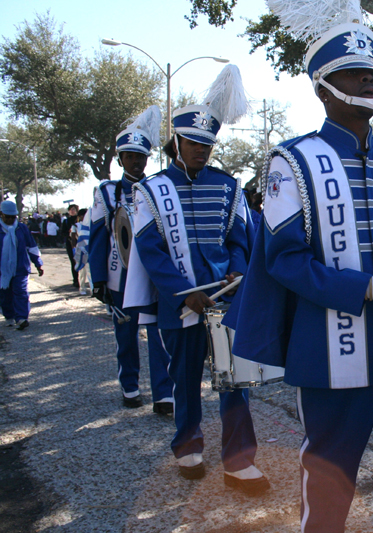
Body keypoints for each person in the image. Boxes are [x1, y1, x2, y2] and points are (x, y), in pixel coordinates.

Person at [227, 10, 373, 531]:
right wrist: (366, 288)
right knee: (330, 487)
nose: (370, 79)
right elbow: (284, 260)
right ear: (323, 88)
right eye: (355, 71)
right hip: (333, 353)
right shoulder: (293, 161)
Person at [125, 68, 268, 494]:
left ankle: (239, 461)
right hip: (183, 301)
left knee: (235, 379)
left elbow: (241, 239)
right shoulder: (151, 190)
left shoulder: (229, 187)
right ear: (176, 144)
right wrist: (184, 295)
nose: (200, 151)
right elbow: (150, 250)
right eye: (192, 143)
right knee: (183, 375)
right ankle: (188, 445)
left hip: (224, 300)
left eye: (207, 144)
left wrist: (238, 269)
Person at [88, 105, 174, 414]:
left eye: (141, 157)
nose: (136, 162)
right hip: (119, 277)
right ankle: (130, 385)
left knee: (158, 334)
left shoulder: (158, 189)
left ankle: (164, 394)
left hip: (152, 275)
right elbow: (98, 237)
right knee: (125, 335)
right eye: (130, 156)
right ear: (120, 158)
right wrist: (97, 279)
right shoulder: (106, 193)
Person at [0, 201, 43, 330]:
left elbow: (32, 247)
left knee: (21, 292)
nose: (10, 219)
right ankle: (9, 316)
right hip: (2, 270)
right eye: (7, 216)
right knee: (4, 294)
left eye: (13, 217)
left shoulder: (21, 228)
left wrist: (38, 264)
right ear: (1, 214)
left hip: (20, 267)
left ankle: (22, 318)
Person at [71, 208, 92, 295]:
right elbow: (73, 238)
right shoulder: (76, 226)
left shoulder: (90, 225)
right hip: (81, 250)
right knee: (82, 271)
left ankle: (92, 289)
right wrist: (74, 249)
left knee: (90, 271)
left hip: (89, 249)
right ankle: (82, 288)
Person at [62, 204, 79, 288]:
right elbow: (62, 232)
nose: (72, 211)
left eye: (74, 209)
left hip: (80, 242)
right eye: (71, 209)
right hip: (70, 243)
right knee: (73, 262)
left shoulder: (79, 219)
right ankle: (75, 280)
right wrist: (68, 233)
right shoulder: (66, 221)